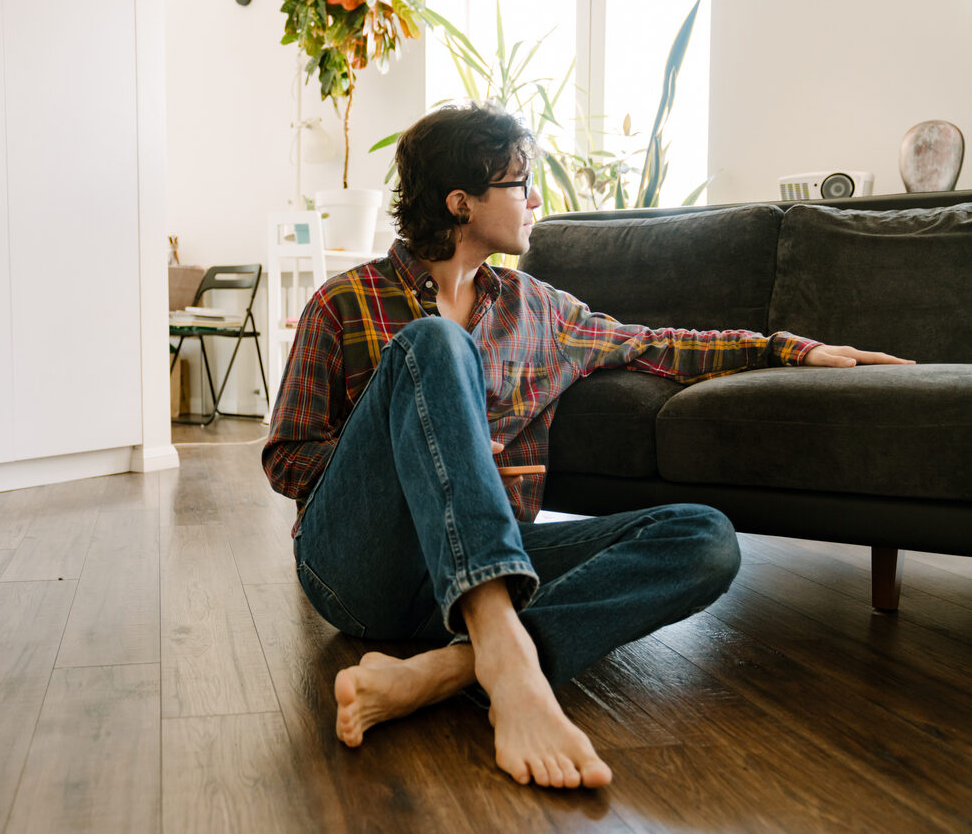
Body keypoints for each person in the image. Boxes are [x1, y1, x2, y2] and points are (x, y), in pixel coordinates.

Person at [262, 103, 911, 789]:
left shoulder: (538, 309)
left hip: (477, 571)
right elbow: (287, 458)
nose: (535, 197)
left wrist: (793, 349)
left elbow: (658, 343)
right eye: (518, 182)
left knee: (703, 536)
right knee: (433, 343)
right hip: (361, 575)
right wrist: (418, 445)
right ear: (461, 202)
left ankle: (452, 667)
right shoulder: (343, 303)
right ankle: (506, 655)